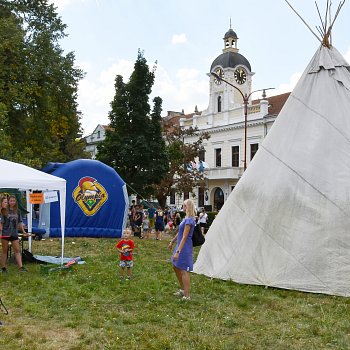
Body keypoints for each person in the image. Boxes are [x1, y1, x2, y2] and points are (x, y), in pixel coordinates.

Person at [168, 199, 196, 300]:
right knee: (175, 267)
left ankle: (187, 295)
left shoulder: (190, 220)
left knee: (183, 270)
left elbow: (184, 237)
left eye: (184, 205)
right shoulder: (185, 218)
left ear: (188, 207)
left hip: (184, 247)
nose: (182, 207)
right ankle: (183, 289)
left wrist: (178, 251)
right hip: (180, 245)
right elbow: (179, 232)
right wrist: (172, 241)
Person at [0, 195, 27, 273]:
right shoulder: (4, 211)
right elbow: (1, 223)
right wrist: (1, 232)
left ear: (15, 202)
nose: (12, 202)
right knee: (5, 251)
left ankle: (21, 267)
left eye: (13, 201)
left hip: (14, 233)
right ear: (8, 201)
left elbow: (20, 222)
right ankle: (3, 268)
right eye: (10, 201)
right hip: (5, 233)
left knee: (17, 250)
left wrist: (23, 231)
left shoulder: (18, 211)